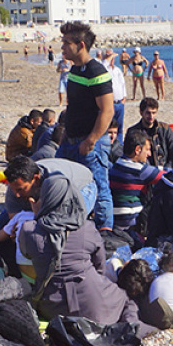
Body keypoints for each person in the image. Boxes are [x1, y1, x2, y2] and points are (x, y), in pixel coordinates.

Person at [4, 156, 150, 335]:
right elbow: (100, 266)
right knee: (125, 299)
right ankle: (129, 332)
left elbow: (27, 253)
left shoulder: (28, 230)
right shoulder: (86, 228)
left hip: (52, 306)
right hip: (92, 302)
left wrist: (37, 217)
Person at [57, 22, 114, 231]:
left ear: (80, 45)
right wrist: (65, 133)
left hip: (90, 142)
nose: (62, 47)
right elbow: (73, 106)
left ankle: (105, 233)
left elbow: (107, 110)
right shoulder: (75, 70)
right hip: (70, 139)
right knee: (60, 181)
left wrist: (91, 140)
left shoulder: (96, 71)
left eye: (66, 43)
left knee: (99, 187)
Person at [109, 129, 163, 237]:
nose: (149, 154)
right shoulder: (138, 170)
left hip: (114, 220)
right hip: (130, 223)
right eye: (147, 150)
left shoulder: (119, 163)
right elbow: (170, 177)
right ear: (138, 150)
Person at [126, 97, 173, 170]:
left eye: (154, 113)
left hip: (165, 169)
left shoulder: (165, 129)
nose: (151, 116)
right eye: (148, 113)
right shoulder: (133, 131)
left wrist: (167, 169)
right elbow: (129, 156)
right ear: (141, 113)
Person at [105, 48, 127, 129]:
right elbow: (103, 65)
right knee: (109, 127)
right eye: (109, 56)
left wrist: (124, 98)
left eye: (112, 57)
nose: (111, 58)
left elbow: (122, 84)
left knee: (119, 127)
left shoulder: (117, 70)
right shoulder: (103, 69)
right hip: (110, 103)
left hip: (120, 103)